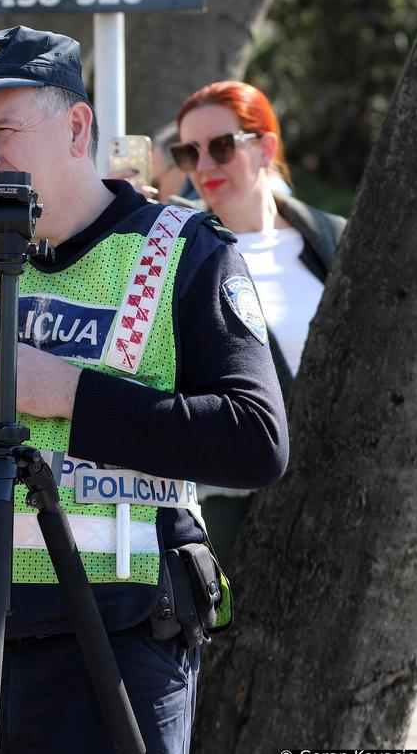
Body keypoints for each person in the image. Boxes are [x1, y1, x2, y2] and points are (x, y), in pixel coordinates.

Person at [0, 26, 288, 754]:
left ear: (76, 128)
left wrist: (74, 395)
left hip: (119, 648)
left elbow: (257, 441)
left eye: (4, 132)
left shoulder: (179, 249)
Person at [171, 80, 345, 562]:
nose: (204, 167)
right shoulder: (177, 243)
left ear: (266, 147)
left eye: (222, 147)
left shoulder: (333, 238)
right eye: (188, 152)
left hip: (338, 488)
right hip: (229, 500)